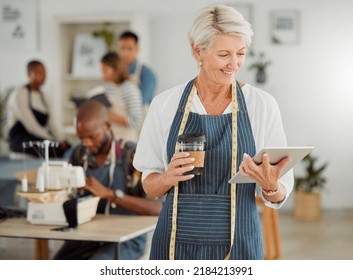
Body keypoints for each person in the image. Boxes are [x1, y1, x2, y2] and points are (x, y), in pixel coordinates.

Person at [133, 5, 294, 260]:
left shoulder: (261, 104)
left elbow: (281, 190)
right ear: (198, 50)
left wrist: (271, 185)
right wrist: (167, 177)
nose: (234, 64)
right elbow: (149, 184)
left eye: (240, 53)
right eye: (224, 54)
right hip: (175, 243)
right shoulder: (165, 104)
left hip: (241, 243)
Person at [53, 100, 162, 260]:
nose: (87, 143)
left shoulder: (132, 155)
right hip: (89, 236)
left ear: (108, 126)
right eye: (81, 138)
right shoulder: (79, 154)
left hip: (126, 237)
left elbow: (158, 208)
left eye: (92, 137)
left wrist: (110, 194)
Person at [6, 60, 70, 158]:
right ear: (29, 74)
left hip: (39, 137)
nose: (44, 76)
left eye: (45, 72)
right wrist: (52, 141)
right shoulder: (20, 94)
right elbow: (31, 126)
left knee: (68, 147)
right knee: (54, 149)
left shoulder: (45, 96)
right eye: (39, 73)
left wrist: (61, 139)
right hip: (21, 139)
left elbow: (52, 123)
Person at [86, 51, 143, 142]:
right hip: (109, 140)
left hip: (126, 143)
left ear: (116, 69)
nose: (103, 75)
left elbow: (136, 122)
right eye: (102, 71)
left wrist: (108, 115)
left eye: (105, 71)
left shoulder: (129, 88)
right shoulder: (107, 87)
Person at [118, 30, 157, 112]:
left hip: (140, 120)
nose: (125, 53)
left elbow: (141, 101)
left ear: (137, 49)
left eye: (129, 48)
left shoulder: (147, 74)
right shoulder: (116, 72)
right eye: (122, 48)